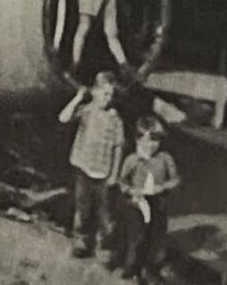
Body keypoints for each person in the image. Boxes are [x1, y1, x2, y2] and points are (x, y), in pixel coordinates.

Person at [58, 71, 125, 265]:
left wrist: (114, 173)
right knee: (82, 209)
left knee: (106, 214)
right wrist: (78, 96)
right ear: (94, 92)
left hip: (103, 172)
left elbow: (118, 147)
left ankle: (106, 248)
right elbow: (63, 118)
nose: (107, 98)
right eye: (104, 93)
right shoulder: (86, 111)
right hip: (84, 168)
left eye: (111, 95)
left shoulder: (115, 119)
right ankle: (81, 242)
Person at [118, 116, 181, 284]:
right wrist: (132, 191)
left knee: (157, 238)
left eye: (156, 141)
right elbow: (122, 182)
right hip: (137, 203)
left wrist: (164, 187)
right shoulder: (132, 160)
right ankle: (131, 268)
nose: (151, 146)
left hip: (158, 202)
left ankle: (151, 270)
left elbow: (175, 180)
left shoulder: (164, 159)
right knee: (137, 237)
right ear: (138, 140)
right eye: (147, 141)